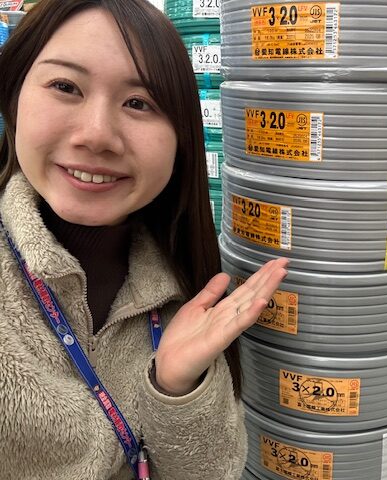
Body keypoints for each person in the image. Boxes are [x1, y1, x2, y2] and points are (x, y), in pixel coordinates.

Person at [0, 0, 288, 478]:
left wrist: (176, 388)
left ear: (182, 139)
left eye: (138, 103)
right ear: (13, 97)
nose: (97, 135)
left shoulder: (183, 286)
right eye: (65, 86)